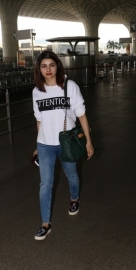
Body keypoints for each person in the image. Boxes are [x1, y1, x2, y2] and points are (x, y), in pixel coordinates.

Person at [32, 50, 94, 240]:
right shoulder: (37, 91)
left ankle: (74, 198)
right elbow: (39, 120)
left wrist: (88, 142)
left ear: (57, 66)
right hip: (45, 144)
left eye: (51, 65)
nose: (48, 69)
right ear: (39, 70)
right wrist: (37, 144)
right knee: (45, 185)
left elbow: (81, 114)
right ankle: (45, 223)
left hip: (66, 143)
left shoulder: (69, 86)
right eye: (44, 66)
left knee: (72, 175)